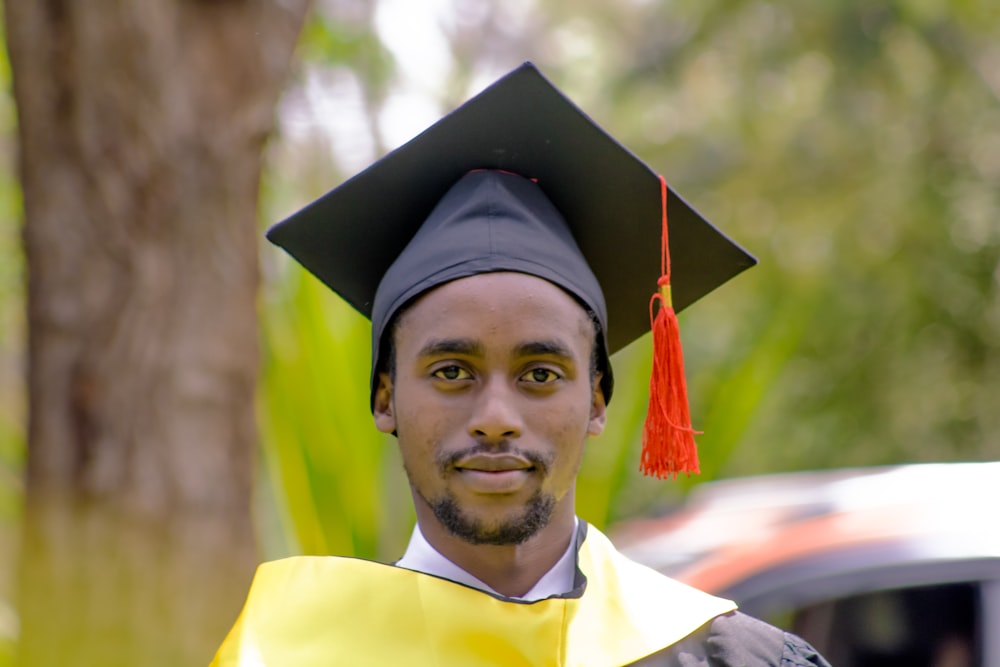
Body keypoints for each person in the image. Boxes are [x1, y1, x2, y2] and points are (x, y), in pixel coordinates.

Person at [211, 63, 831, 666]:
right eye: (453, 371)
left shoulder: (729, 659)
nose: (496, 419)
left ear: (595, 400)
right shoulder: (285, 655)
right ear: (384, 397)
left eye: (539, 374)